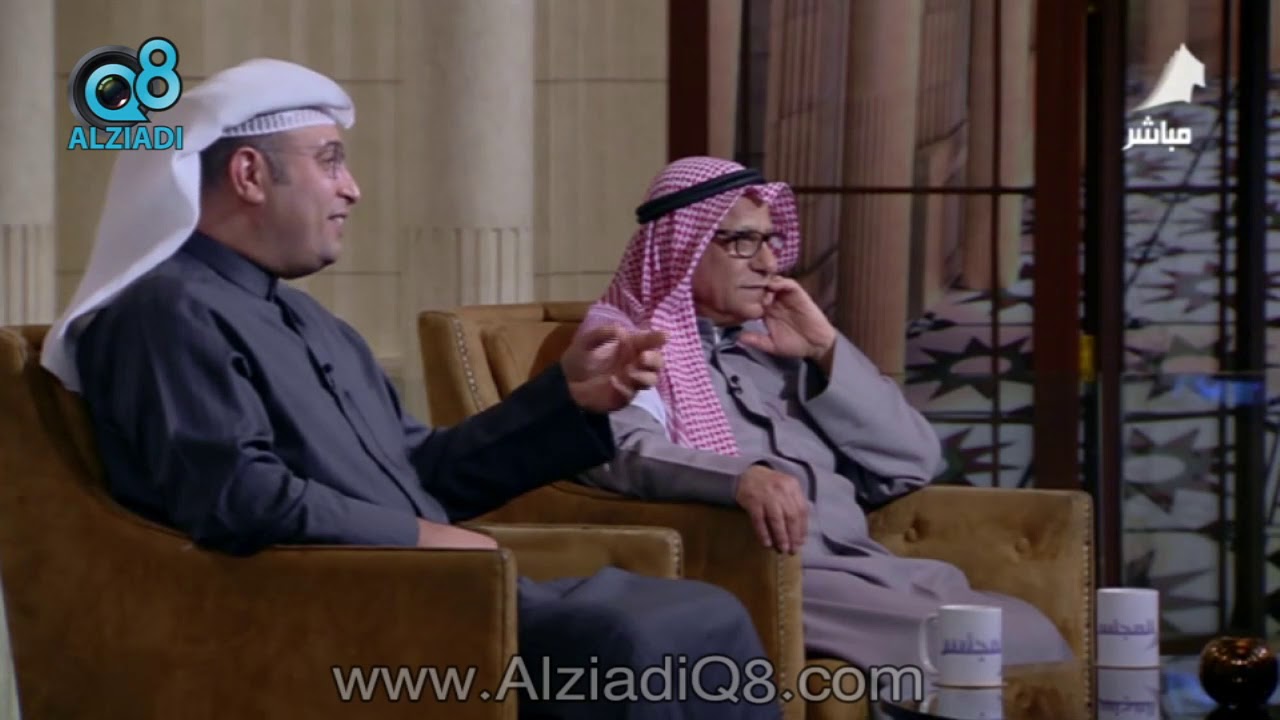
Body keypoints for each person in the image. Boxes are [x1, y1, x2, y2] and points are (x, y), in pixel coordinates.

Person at [41, 61, 780, 720]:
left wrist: (568, 397)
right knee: (641, 638)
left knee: (700, 614)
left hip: (428, 589)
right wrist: (420, 538)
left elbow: (423, 471)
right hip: (337, 615)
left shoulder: (310, 320)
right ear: (249, 175)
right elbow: (236, 495)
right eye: (330, 161)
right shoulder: (165, 311)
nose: (353, 188)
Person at [574, 156, 1073, 672]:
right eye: (743, 241)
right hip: (772, 572)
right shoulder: (626, 344)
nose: (768, 262)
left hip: (865, 568)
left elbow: (915, 461)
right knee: (977, 643)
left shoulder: (774, 343)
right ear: (682, 248)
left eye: (770, 241)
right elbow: (620, 451)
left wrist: (825, 349)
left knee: (1030, 627)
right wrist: (742, 478)